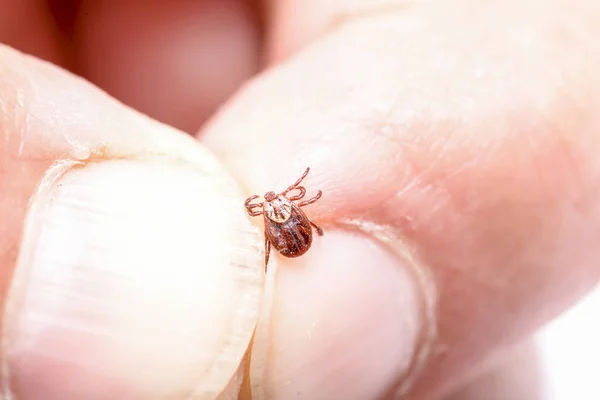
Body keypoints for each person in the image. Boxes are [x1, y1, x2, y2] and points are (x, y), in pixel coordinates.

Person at [0, 1, 598, 399]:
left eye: (279, 205)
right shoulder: (289, 213)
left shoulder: (280, 216)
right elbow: (300, 209)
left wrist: (277, 216)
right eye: (277, 207)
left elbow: (295, 215)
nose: (279, 207)